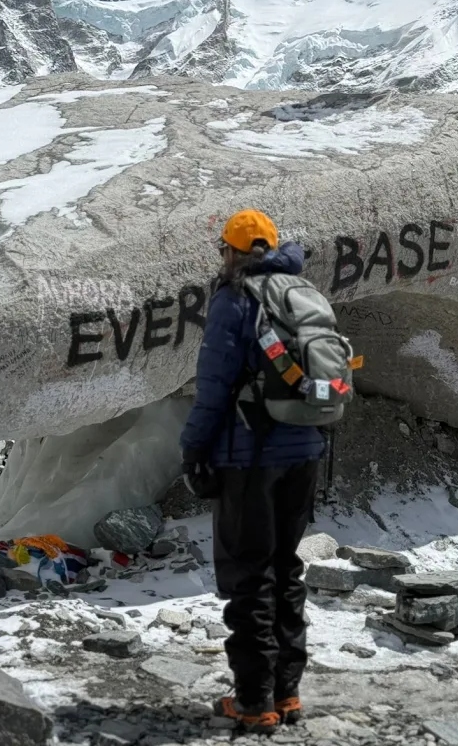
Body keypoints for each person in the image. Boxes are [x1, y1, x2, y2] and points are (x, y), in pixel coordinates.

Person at [180, 209, 324, 734]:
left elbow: (214, 384)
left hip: (250, 456)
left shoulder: (234, 298)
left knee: (251, 575)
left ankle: (253, 700)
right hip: (304, 450)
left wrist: (193, 450)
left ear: (232, 251)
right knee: (286, 569)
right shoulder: (302, 294)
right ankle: (286, 694)